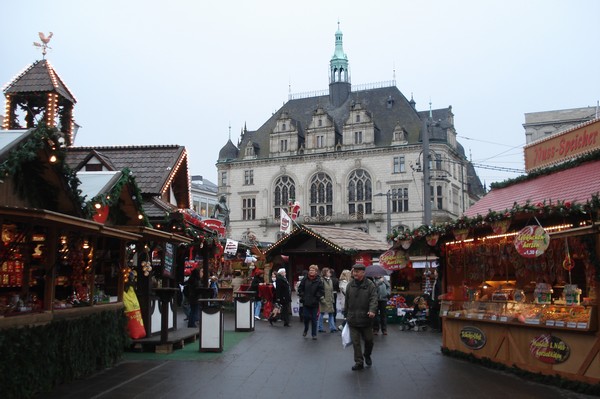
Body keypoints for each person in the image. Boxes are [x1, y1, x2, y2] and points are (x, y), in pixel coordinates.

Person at [345, 263, 378, 371]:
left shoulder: (370, 285)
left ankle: (367, 354)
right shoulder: (350, 285)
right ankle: (359, 362)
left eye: (357, 272)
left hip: (366, 318)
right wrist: (346, 315)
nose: (355, 273)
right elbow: (347, 301)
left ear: (363, 273)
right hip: (353, 318)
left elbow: (374, 299)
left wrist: (372, 310)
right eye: (354, 271)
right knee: (356, 342)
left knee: (369, 340)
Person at [297, 264, 324, 340]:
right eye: (310, 270)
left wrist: (317, 297)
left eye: (313, 270)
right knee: (306, 317)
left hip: (314, 303)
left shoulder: (319, 280)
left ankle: (314, 334)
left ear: (316, 272)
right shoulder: (305, 279)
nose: (311, 272)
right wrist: (302, 295)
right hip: (306, 302)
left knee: (314, 319)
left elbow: (321, 291)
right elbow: (300, 288)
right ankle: (306, 329)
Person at [318, 267, 337, 333]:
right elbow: (319, 291)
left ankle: (332, 328)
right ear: (325, 273)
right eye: (328, 272)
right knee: (322, 313)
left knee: (331, 313)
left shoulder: (330, 280)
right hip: (324, 300)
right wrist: (322, 299)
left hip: (330, 300)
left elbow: (331, 291)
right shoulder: (321, 280)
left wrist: (332, 299)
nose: (330, 273)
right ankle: (320, 327)